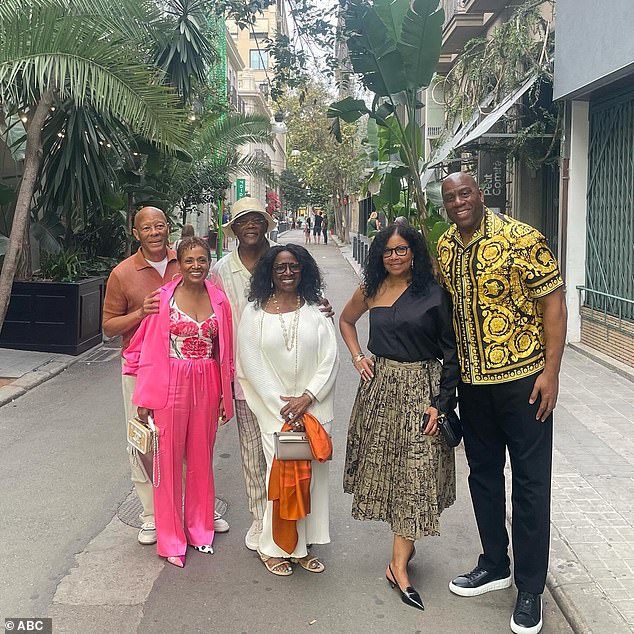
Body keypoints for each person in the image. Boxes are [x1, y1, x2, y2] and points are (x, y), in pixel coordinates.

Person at [438, 173, 567, 634]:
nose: (458, 202)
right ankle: (495, 563)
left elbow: (554, 305)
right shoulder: (447, 247)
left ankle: (530, 587)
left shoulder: (521, 238)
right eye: (450, 197)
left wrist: (550, 373)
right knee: (484, 478)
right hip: (475, 387)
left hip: (524, 384)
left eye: (465, 193)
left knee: (531, 485)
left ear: (481, 194)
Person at [339, 223, 460, 611]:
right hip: (380, 390)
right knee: (394, 474)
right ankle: (401, 554)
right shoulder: (371, 289)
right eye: (388, 251)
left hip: (422, 392)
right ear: (379, 255)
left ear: (414, 252)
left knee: (417, 475)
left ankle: (398, 565)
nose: (395, 257)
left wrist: (441, 404)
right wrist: (358, 356)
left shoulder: (434, 293)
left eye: (402, 249)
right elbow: (346, 321)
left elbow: (451, 352)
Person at [211, 197, 334, 553]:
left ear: (266, 224)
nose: (250, 225)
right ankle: (261, 521)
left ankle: (295, 531)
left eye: (257, 219)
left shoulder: (288, 266)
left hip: (299, 391)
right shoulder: (220, 271)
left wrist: (323, 307)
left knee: (295, 461)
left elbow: (323, 337)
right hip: (246, 383)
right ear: (233, 228)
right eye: (242, 220)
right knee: (255, 456)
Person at [103, 208, 230, 546]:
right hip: (145, 368)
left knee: (195, 448)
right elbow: (108, 326)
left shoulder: (185, 261)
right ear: (136, 233)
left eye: (160, 225)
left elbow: (220, 327)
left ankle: (197, 513)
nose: (154, 232)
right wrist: (139, 313)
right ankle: (152, 516)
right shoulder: (123, 273)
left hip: (196, 375)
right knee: (148, 445)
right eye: (147, 227)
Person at [236, 244, 339, 576]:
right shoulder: (254, 312)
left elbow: (330, 358)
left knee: (311, 482)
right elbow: (251, 363)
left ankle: (302, 547)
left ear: (303, 269)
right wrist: (282, 408)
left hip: (313, 414)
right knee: (280, 481)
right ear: (269, 272)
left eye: (294, 266)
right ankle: (274, 547)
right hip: (277, 416)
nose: (288, 273)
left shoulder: (316, 310)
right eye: (280, 268)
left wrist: (307, 397)